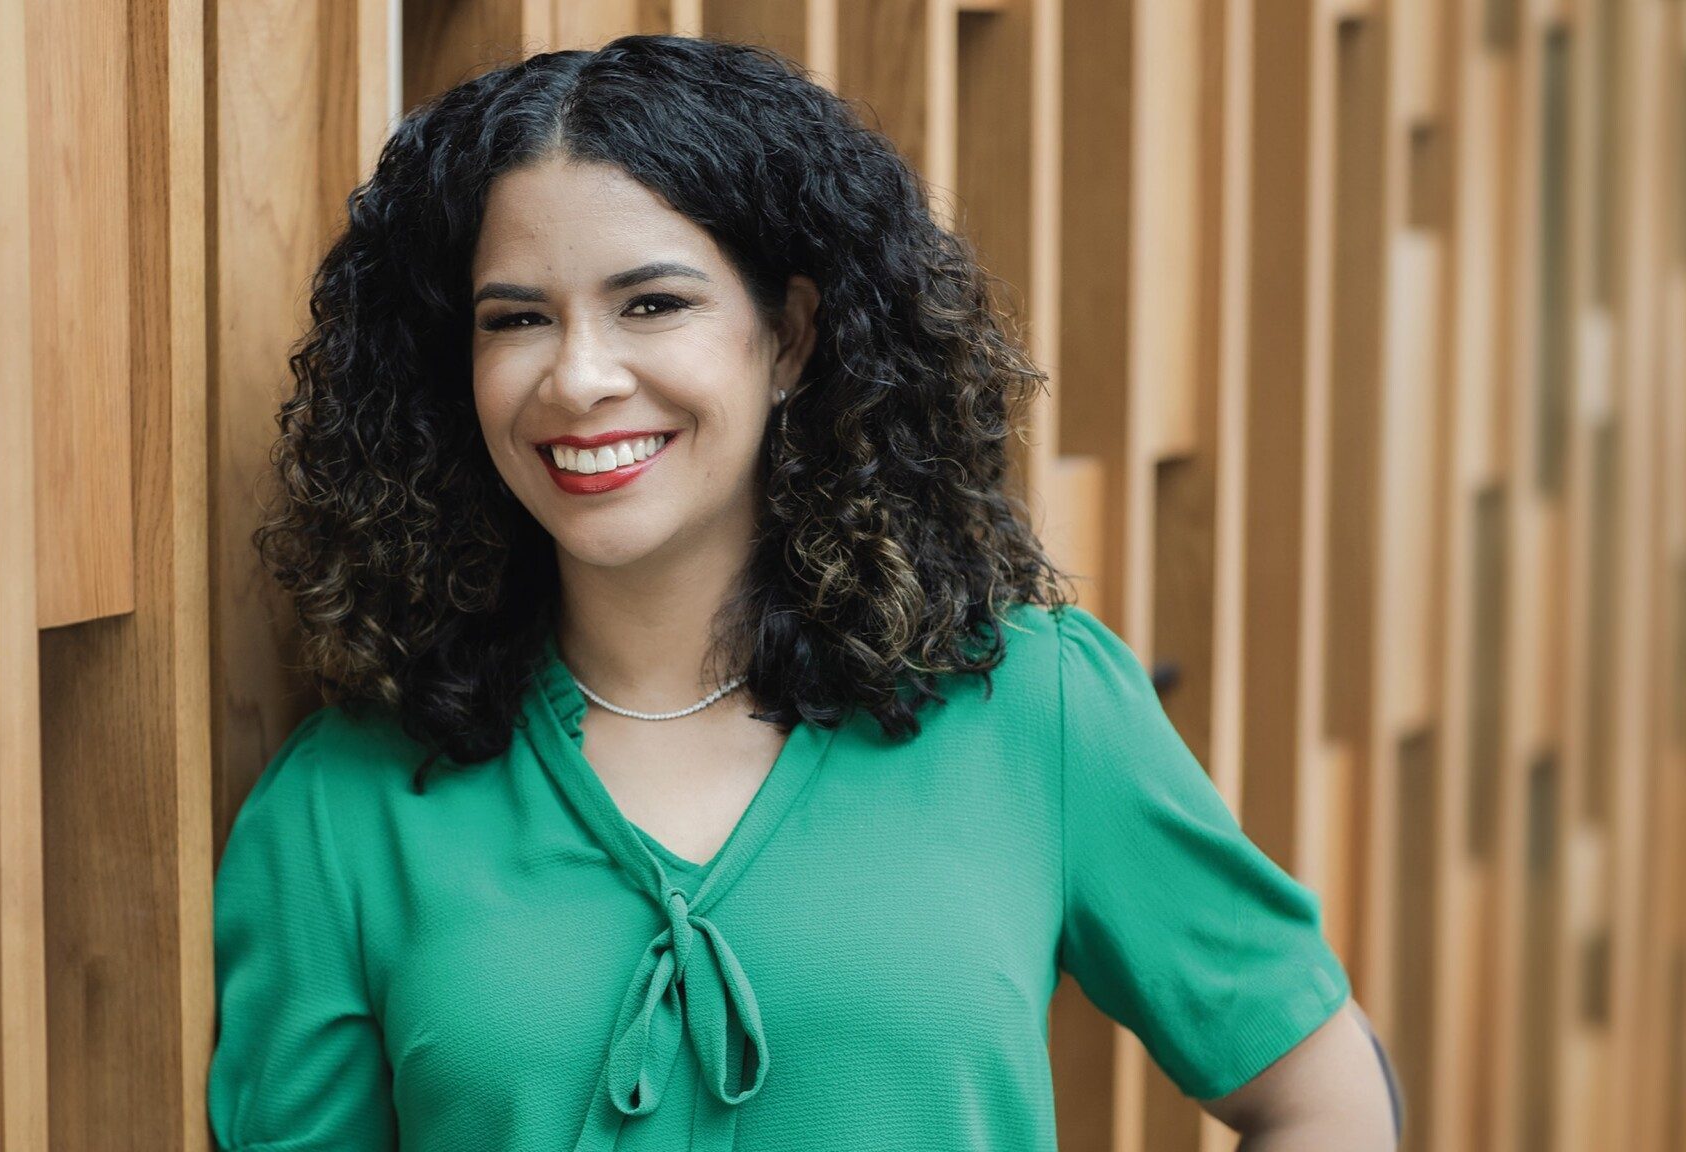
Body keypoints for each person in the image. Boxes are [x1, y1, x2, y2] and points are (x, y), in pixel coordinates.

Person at [208, 33, 1399, 1152]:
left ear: (788, 339)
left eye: (652, 304)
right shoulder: (338, 809)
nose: (576, 378)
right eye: (515, 319)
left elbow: (1320, 1097)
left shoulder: (1032, 709)